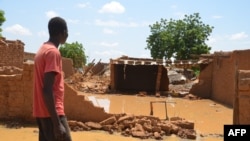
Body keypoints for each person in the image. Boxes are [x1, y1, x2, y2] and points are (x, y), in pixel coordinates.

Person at [33, 16, 72, 141]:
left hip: (42, 112)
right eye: (67, 31)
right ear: (62, 32)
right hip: (53, 114)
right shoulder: (53, 52)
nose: (68, 34)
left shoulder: (42, 50)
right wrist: (57, 124)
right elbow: (47, 90)